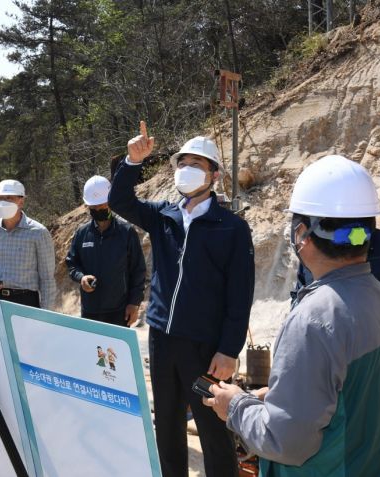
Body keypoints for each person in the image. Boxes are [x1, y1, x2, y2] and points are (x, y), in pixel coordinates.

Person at [206, 155, 380, 477]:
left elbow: (284, 441)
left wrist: (234, 406)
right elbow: (354, 398)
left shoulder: (313, 320)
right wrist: (282, 393)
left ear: (301, 234)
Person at [109, 121, 255, 477]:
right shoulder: (164, 217)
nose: (186, 170)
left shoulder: (231, 228)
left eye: (197, 165)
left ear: (215, 175)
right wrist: (131, 162)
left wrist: (229, 349)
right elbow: (119, 201)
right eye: (182, 163)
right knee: (168, 426)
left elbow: (240, 295)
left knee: (212, 428)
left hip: (204, 347)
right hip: (161, 339)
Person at [293, 227, 380, 330]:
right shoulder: (313, 247)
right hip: (320, 353)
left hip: (376, 358)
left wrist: (365, 331)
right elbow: (298, 297)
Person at [66, 175, 146, 327]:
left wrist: (134, 304)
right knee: (91, 350)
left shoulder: (126, 232)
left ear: (110, 203)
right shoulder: (82, 233)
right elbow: (72, 263)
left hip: (119, 311)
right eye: (94, 208)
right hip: (90, 310)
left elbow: (138, 270)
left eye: (102, 207)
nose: (98, 211)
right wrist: (81, 277)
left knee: (115, 352)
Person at [0, 179, 56, 309]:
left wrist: (46, 315)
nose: (3, 202)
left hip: (25, 301)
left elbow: (47, 279)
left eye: (8, 198)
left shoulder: (39, 232)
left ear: (21, 201)